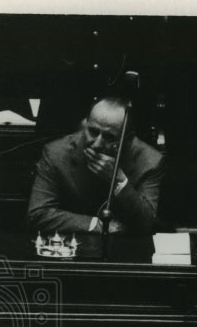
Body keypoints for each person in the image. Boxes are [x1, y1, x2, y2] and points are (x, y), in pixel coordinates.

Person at [27, 95, 164, 235]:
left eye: (109, 137)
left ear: (128, 140)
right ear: (84, 124)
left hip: (124, 247)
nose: (97, 144)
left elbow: (148, 223)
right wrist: (97, 225)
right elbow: (38, 213)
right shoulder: (57, 153)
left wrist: (119, 181)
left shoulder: (150, 161)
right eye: (93, 132)